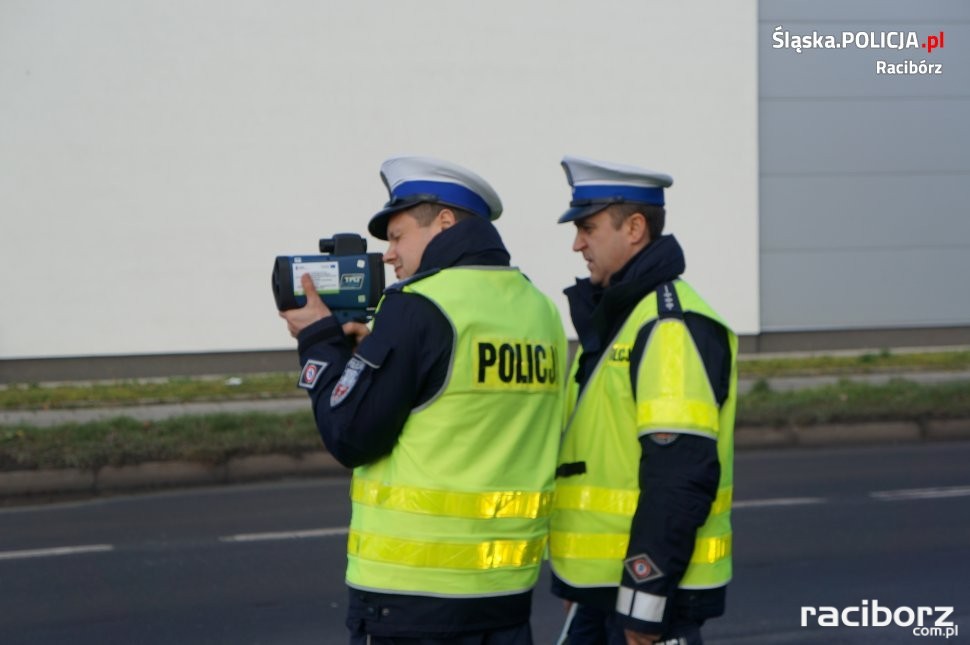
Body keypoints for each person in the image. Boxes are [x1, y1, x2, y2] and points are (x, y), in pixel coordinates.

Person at [279, 156, 567, 644]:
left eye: (397, 236)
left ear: (446, 223)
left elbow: (350, 434)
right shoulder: (540, 310)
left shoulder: (417, 304)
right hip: (505, 594)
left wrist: (319, 343)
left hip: (412, 598)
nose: (388, 255)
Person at [547, 156, 737, 645]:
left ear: (634, 229)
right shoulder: (624, 317)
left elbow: (678, 481)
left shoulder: (667, 326)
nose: (577, 243)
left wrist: (642, 614)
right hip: (604, 595)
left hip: (645, 604)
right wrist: (579, 583)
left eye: (587, 228)